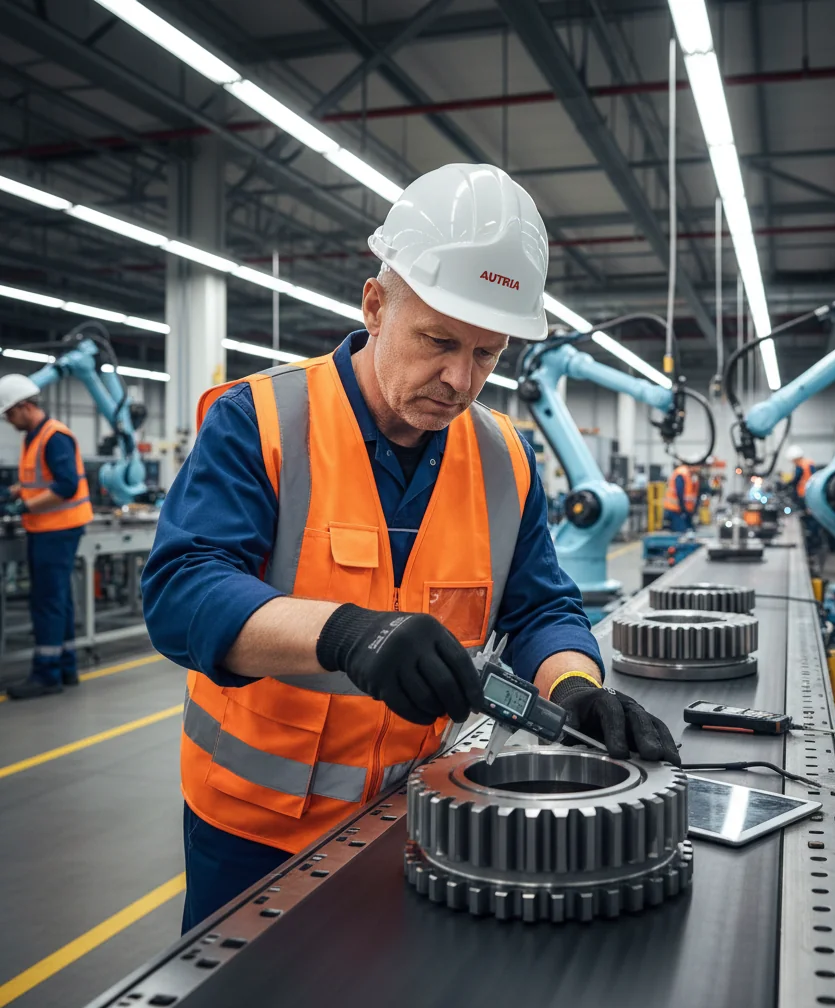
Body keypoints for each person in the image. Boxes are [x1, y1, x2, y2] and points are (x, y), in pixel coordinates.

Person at [141, 163, 680, 935]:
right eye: (438, 340)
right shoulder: (259, 420)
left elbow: (542, 607)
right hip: (253, 832)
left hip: (419, 812)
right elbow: (182, 593)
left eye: (488, 355)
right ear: (374, 305)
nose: (460, 380)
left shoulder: (503, 457)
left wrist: (572, 688)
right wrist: (347, 634)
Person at [0, 374, 93, 698]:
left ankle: (46, 675)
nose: (9, 421)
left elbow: (65, 486)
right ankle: (66, 667)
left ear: (24, 406)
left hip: (57, 528)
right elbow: (44, 479)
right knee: (59, 600)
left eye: (9, 414)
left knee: (47, 601)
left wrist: (24, 504)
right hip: (50, 527)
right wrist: (18, 490)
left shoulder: (54, 437)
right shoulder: (35, 436)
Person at [663, 460, 698, 532]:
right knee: (681, 533)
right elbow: (680, 493)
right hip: (675, 510)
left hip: (681, 510)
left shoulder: (689, 474)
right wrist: (684, 510)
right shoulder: (682, 473)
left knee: (689, 531)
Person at [785, 444, 816, 509]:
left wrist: (788, 484)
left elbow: (796, 479)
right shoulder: (809, 463)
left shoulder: (800, 466)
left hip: (803, 492)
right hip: (811, 491)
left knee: (804, 510)